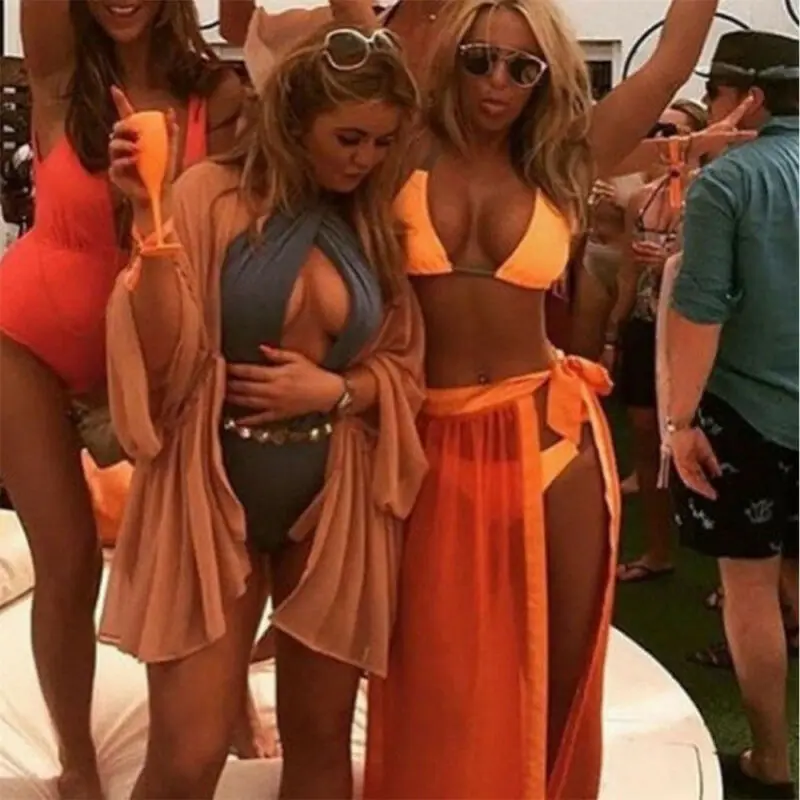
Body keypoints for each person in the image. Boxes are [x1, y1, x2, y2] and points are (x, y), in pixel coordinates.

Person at [340, 0, 725, 797]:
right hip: (428, 437)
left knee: (562, 663)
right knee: (436, 669)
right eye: (480, 59)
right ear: (452, 55)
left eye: (523, 68)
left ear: (545, 78)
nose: (498, 82)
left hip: (550, 436)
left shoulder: (567, 157)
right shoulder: (402, 142)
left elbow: (669, 63)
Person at [104, 24, 424, 799]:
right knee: (188, 755)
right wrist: (149, 220)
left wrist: (336, 390)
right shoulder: (206, 196)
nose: (366, 159)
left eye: (382, 142)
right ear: (296, 119)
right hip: (209, 493)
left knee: (320, 749)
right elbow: (162, 359)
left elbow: (405, 362)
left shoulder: (373, 220)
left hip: (332, 505)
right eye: (349, 138)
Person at [0, 2, 242, 796]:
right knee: (69, 562)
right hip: (27, 343)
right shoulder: (60, 74)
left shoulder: (216, 94)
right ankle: (77, 760)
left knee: (206, 547)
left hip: (153, 356)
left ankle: (229, 705)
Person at [665, 30, 798, 799]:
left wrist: (680, 421)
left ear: (745, 99)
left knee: (750, 591)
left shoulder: (729, 183)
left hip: (747, 415)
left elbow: (700, 309)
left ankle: (771, 761)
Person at [611, 99, 707, 584]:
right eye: (660, 130)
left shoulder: (712, 195)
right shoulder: (641, 200)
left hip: (693, 331)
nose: (667, 140)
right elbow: (627, 272)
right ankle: (656, 549)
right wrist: (613, 332)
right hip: (646, 323)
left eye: (677, 131)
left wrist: (672, 261)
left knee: (706, 442)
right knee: (645, 433)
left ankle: (729, 565)